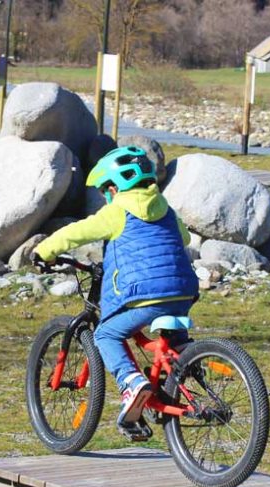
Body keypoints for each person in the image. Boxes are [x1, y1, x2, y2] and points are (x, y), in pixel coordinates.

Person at [32, 146, 199, 439]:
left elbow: (76, 232)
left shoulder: (116, 211)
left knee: (106, 335)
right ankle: (187, 363)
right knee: (170, 342)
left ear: (114, 187)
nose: (104, 197)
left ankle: (132, 382)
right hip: (182, 290)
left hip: (141, 293)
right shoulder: (166, 210)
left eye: (104, 191)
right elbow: (184, 237)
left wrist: (44, 251)